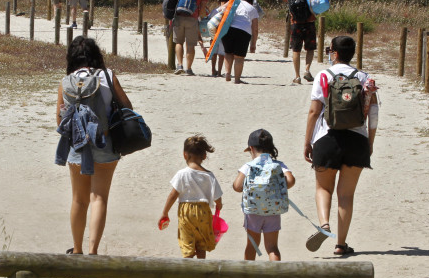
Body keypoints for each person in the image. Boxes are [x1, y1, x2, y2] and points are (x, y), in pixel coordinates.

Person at [55, 37, 133, 255]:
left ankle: (77, 249)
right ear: (96, 55)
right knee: (99, 197)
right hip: (105, 142)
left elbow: (59, 121)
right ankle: (93, 251)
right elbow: (127, 107)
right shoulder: (107, 77)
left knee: (79, 199)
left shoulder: (66, 82)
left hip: (77, 145)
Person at [303, 35, 379, 256]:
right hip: (357, 141)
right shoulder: (364, 78)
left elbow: (314, 111)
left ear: (333, 53)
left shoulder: (324, 76)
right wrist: (369, 143)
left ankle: (324, 224)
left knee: (323, 188)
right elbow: (373, 115)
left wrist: (308, 141)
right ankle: (341, 244)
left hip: (327, 139)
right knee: (346, 195)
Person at [160, 135, 224, 265]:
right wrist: (219, 206)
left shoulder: (183, 174)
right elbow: (218, 198)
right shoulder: (209, 175)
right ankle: (200, 273)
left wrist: (165, 212)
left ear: (185, 154)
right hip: (204, 212)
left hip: (186, 211)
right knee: (201, 243)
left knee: (187, 242)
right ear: (204, 156)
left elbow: (173, 194)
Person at [233, 129, 295, 261]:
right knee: (272, 247)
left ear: (251, 148)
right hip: (273, 210)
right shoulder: (278, 165)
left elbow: (237, 186)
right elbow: (291, 181)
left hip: (253, 212)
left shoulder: (248, 166)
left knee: (252, 245)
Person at [281, 0, 323, 84]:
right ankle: (307, 70)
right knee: (310, 48)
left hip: (295, 23)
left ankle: (297, 76)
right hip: (309, 21)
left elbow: (288, 3)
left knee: (296, 50)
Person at [172, 0, 209, 76]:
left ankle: (179, 65)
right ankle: (188, 69)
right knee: (190, 45)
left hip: (178, 16)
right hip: (192, 19)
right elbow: (202, 11)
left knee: (179, 42)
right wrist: (202, 17)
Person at [221, 0, 259, 84]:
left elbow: (221, 9)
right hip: (244, 32)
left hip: (228, 29)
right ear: (250, 2)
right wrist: (253, 44)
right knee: (239, 58)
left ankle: (227, 73)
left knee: (228, 53)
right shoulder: (252, 9)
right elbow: (255, 29)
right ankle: (237, 79)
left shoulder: (233, 3)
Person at [204, 0, 229, 77]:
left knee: (221, 54)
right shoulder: (217, 11)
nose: (223, 3)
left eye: (225, 2)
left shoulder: (216, 10)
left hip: (220, 35)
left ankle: (218, 72)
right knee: (215, 54)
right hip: (217, 35)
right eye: (222, 2)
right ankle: (213, 70)